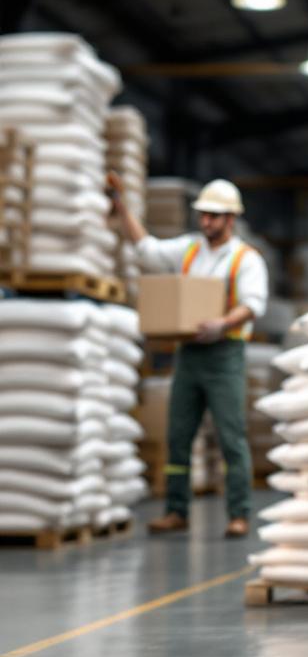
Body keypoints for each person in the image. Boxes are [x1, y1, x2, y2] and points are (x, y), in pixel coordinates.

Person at [109, 175, 269, 537]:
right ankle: (176, 510)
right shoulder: (189, 250)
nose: (206, 222)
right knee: (179, 435)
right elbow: (146, 249)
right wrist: (122, 209)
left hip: (225, 355)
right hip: (189, 354)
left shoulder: (246, 260)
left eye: (214, 216)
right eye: (203, 215)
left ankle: (239, 513)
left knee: (231, 437)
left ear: (231, 219)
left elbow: (252, 305)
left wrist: (221, 324)